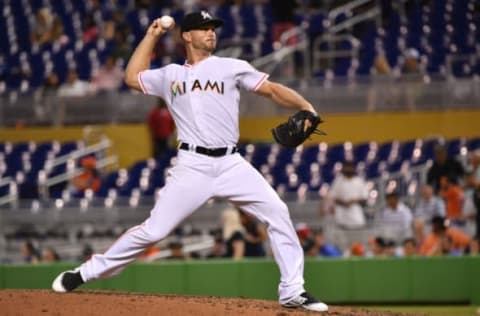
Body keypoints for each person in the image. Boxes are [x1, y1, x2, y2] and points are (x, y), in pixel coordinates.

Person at [52, 11, 328, 312]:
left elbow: (272, 90)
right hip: (192, 165)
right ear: (187, 35)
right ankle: (84, 273)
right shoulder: (170, 74)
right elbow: (132, 77)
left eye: (213, 28)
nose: (211, 32)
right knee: (154, 231)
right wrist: (152, 34)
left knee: (277, 212)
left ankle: (292, 291)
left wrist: (306, 106)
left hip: (231, 163)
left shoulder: (231, 67)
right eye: (203, 28)